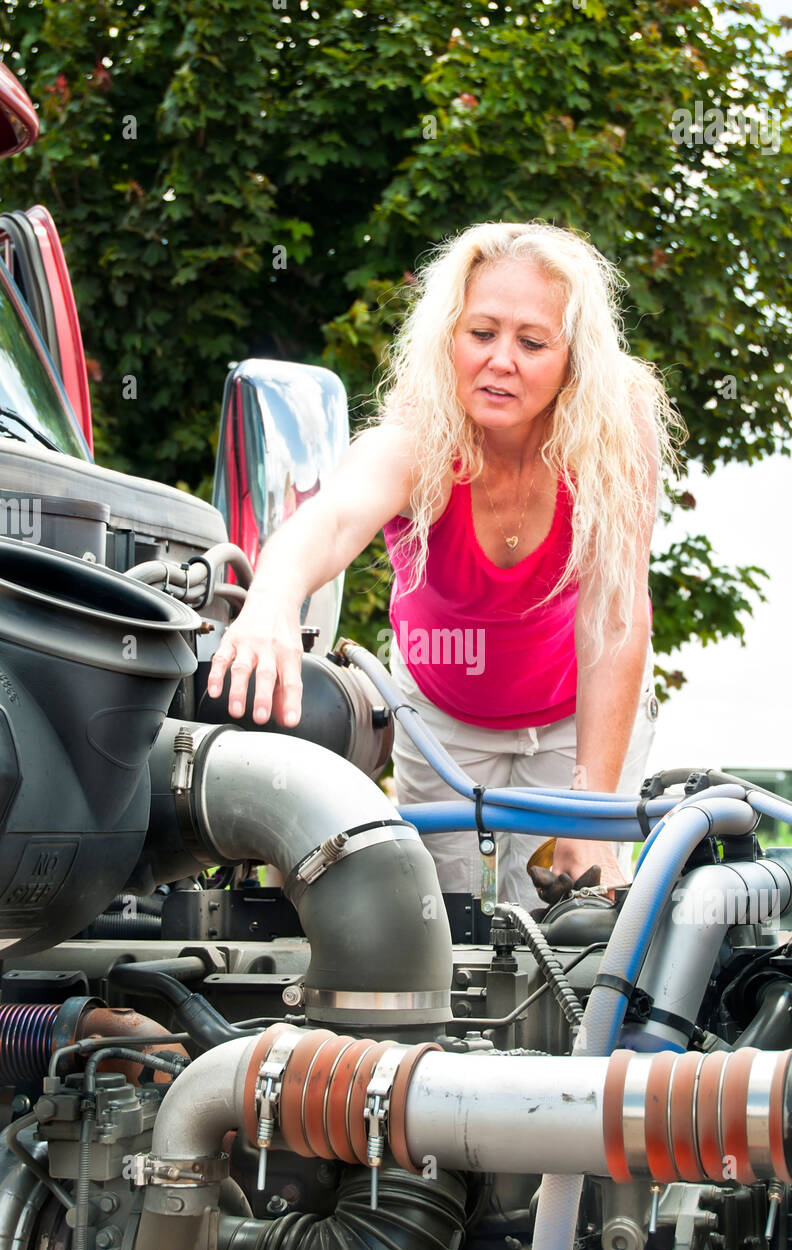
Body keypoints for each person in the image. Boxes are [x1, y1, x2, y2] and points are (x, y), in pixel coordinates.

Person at [207, 221, 684, 906]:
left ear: (573, 357)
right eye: (481, 333)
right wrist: (271, 602)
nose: (500, 360)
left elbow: (614, 614)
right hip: (446, 719)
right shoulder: (418, 431)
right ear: (449, 337)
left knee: (574, 921)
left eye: (531, 342)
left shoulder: (615, 426)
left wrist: (593, 814)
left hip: (578, 714)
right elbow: (333, 519)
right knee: (443, 924)